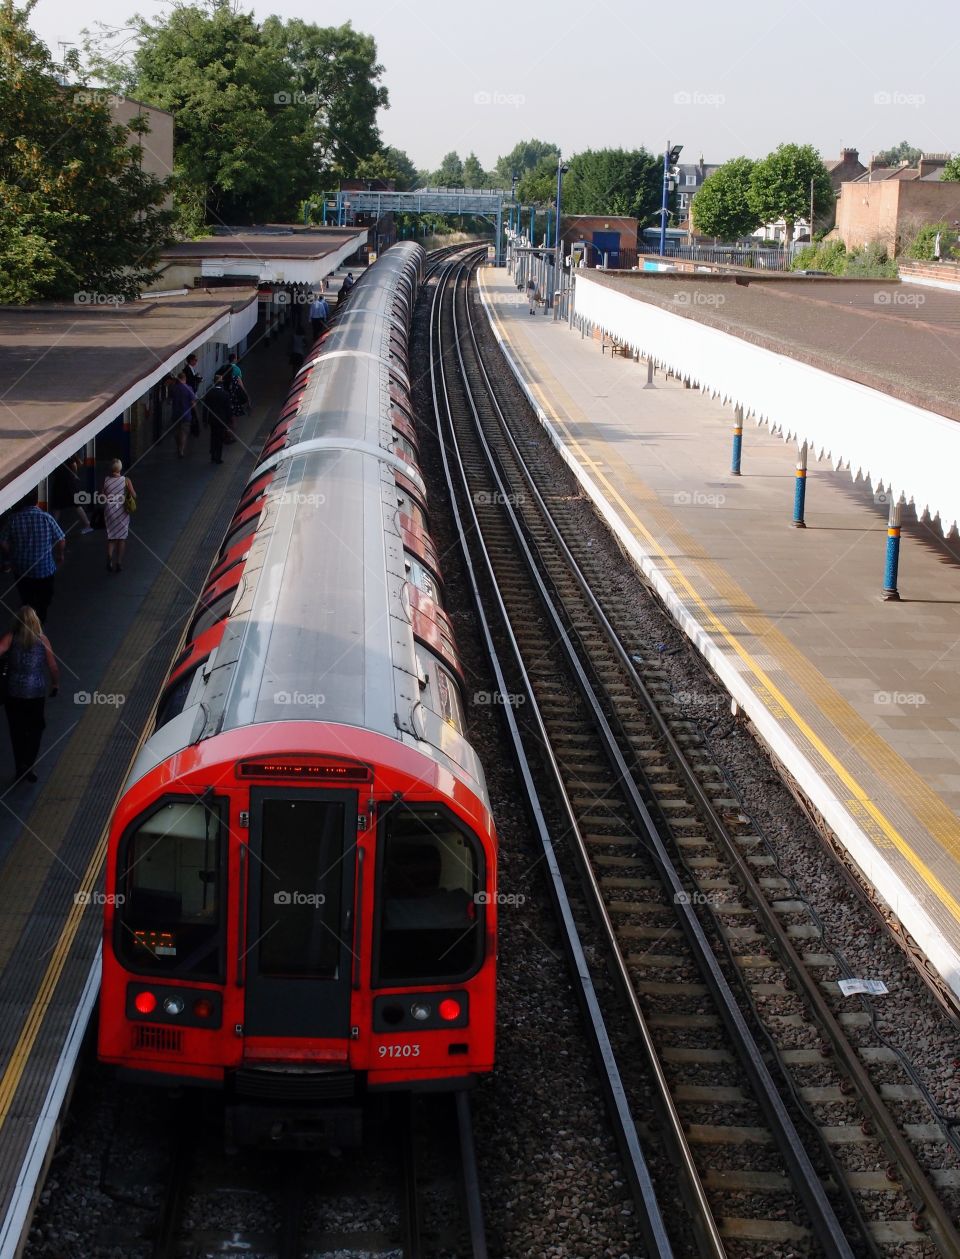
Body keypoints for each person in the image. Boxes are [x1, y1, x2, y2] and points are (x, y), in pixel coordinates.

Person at [0, 606, 58, 783]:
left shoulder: (11, 637)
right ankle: (29, 766)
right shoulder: (42, 640)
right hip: (36, 692)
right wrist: (55, 684)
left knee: (16, 730)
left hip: (13, 692)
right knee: (36, 729)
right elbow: (53, 666)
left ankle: (20, 767)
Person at [0, 491, 65, 623]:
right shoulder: (47, 518)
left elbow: (2, 541)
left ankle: (28, 620)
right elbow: (61, 539)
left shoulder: (13, 519)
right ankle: (39, 621)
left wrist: (12, 553)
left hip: (21, 568)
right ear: (37, 501)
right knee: (45, 598)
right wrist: (60, 555)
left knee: (26, 598)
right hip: (44, 569)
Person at [102, 458, 135, 573]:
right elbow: (134, 495)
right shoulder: (126, 480)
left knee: (111, 537)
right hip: (122, 511)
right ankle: (119, 562)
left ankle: (109, 557)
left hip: (109, 510)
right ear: (120, 468)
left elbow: (102, 496)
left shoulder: (106, 480)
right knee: (121, 538)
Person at [50, 456, 92, 534]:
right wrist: (74, 474)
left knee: (58, 506)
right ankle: (87, 524)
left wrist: (74, 474)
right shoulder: (66, 454)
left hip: (63, 483)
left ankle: (52, 528)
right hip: (66, 483)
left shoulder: (63, 455)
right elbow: (75, 464)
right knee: (72, 505)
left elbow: (74, 464)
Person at [203, 369, 233, 464]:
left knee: (213, 436)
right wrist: (229, 422)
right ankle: (218, 458)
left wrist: (204, 420)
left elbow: (205, 408)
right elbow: (228, 409)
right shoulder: (225, 394)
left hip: (212, 419)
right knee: (220, 439)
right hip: (222, 420)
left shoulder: (209, 393)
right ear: (221, 384)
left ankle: (212, 455)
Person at [169, 371, 196, 457]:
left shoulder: (173, 388)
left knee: (177, 432)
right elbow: (193, 402)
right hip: (186, 414)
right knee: (184, 432)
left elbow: (169, 401)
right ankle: (181, 449)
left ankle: (178, 447)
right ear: (184, 379)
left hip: (175, 414)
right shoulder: (189, 388)